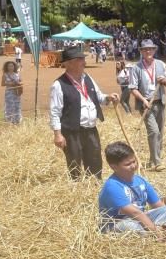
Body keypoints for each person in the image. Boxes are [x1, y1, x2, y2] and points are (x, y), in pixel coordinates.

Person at [49, 45, 119, 180]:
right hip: (71, 131)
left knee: (95, 159)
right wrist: (57, 134)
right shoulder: (58, 85)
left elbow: (99, 97)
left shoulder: (88, 78)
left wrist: (108, 98)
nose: (84, 62)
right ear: (68, 63)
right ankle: (77, 188)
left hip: (91, 129)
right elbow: (55, 112)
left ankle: (94, 186)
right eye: (80, 59)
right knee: (74, 161)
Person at [98, 141, 166, 235]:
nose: (133, 166)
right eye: (127, 164)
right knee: (130, 226)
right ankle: (155, 235)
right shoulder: (112, 186)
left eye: (134, 161)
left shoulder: (140, 180)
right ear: (114, 167)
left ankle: (163, 232)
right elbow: (134, 213)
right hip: (117, 224)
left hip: (139, 220)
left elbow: (158, 205)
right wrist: (154, 230)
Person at [129, 39, 166, 171]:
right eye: (145, 49)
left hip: (160, 101)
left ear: (154, 50)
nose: (148, 51)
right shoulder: (136, 68)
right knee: (153, 132)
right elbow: (132, 88)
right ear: (141, 51)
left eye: (150, 49)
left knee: (160, 133)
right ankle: (156, 162)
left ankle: (155, 158)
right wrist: (143, 100)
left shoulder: (161, 64)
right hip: (146, 104)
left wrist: (164, 80)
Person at [1, 60, 23, 124]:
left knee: (17, 105)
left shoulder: (17, 74)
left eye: (12, 66)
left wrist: (18, 83)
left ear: (14, 67)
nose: (11, 67)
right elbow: (2, 84)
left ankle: (17, 119)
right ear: (7, 67)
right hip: (9, 93)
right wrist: (10, 84)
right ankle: (9, 120)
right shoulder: (5, 75)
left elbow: (21, 82)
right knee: (9, 106)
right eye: (9, 66)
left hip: (16, 92)